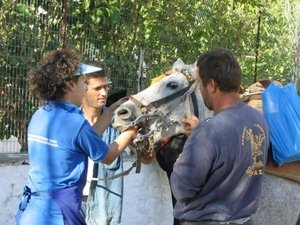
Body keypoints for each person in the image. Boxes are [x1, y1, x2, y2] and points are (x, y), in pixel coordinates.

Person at [15, 48, 137, 225]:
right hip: (59, 215)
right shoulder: (75, 123)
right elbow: (108, 156)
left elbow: (81, 141)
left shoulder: (40, 115)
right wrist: (132, 131)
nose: (85, 87)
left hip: (32, 212)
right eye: (83, 82)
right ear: (70, 85)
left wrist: (110, 112)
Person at [170, 48, 270, 225]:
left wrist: (179, 164)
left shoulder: (208, 132)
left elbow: (182, 189)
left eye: (200, 83)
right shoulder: (258, 121)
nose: (200, 89)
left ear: (212, 85)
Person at [80, 61, 127, 225]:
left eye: (106, 87)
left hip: (104, 208)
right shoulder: (73, 121)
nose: (104, 93)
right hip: (74, 204)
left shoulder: (118, 120)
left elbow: (145, 156)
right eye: (97, 88)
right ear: (83, 89)